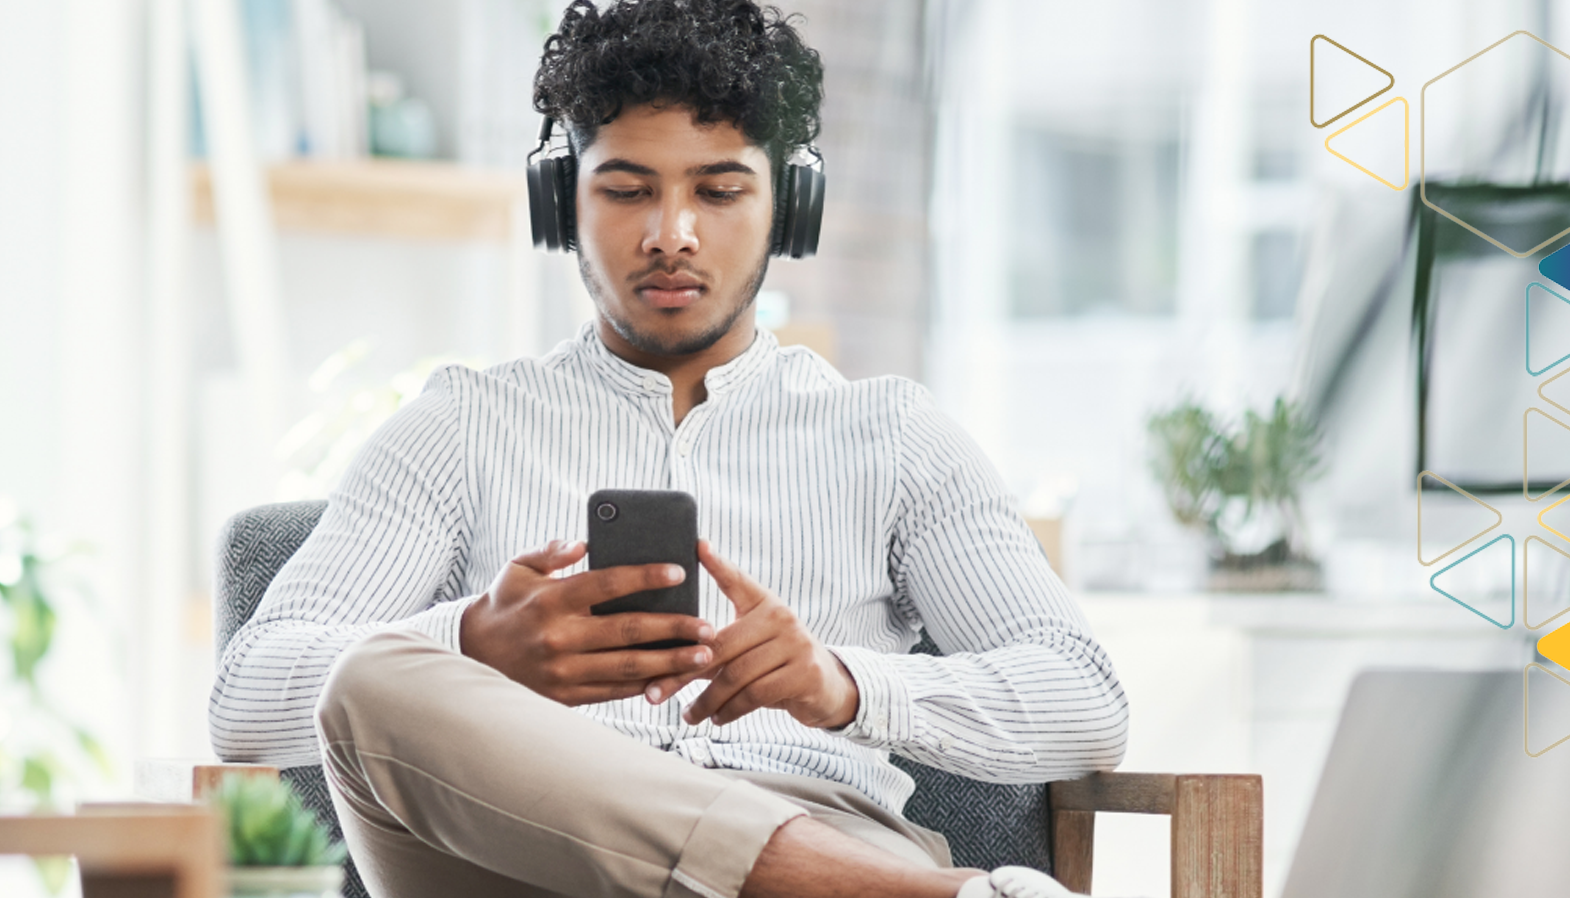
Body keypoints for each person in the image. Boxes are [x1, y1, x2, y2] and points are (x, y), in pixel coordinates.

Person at [209, 1, 1129, 895]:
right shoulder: (460, 427)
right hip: (522, 858)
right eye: (626, 189)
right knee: (371, 678)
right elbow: (245, 702)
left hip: (821, 822)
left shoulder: (894, 437)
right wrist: (473, 647)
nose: (671, 235)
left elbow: (1086, 705)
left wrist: (845, 686)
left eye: (720, 190)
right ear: (560, 200)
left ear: (789, 207)